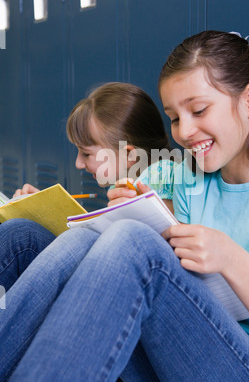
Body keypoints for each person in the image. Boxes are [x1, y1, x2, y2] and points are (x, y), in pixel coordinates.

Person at [1, 30, 249, 382]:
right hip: (185, 353)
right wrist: (139, 211)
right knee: (29, 236)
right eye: (174, 118)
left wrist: (230, 259)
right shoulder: (191, 179)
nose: (184, 132)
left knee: (129, 240)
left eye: (199, 110)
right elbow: (174, 284)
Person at [0, 82, 175, 294]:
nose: (78, 164)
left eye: (86, 154)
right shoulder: (128, 183)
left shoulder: (160, 174)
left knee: (19, 236)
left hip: (116, 284)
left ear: (130, 155)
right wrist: (42, 210)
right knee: (19, 230)